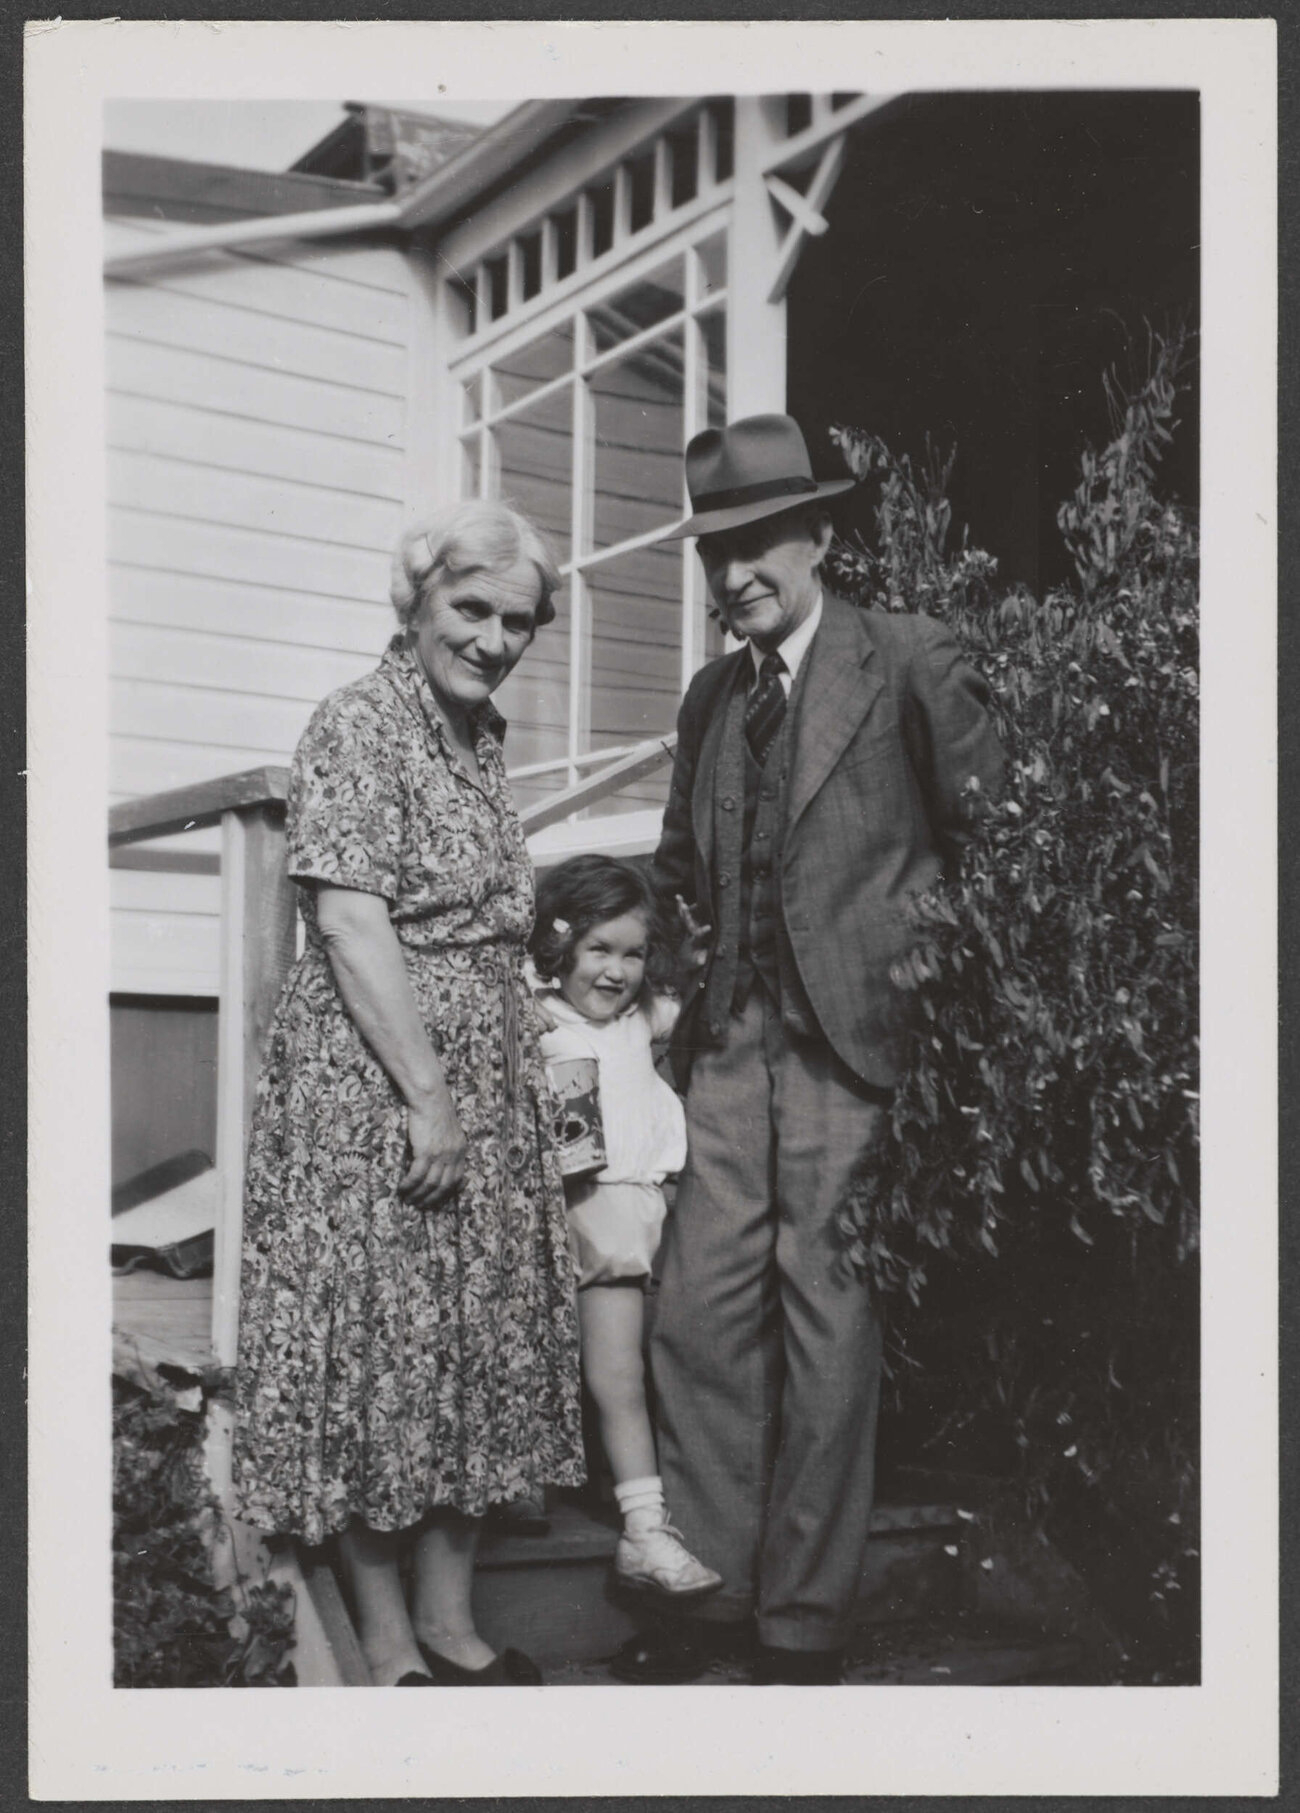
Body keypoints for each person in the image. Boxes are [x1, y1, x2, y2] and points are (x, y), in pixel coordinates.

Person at [613, 414, 1005, 1686]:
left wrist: (946, 1017)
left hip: (857, 1045)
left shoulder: (909, 658)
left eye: (759, 543)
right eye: (713, 551)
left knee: (829, 1319)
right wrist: (648, 997)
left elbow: (995, 844)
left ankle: (800, 1623)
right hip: (727, 1043)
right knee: (697, 1317)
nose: (733, 574)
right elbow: (679, 871)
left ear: (821, 536)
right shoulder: (710, 698)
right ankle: (713, 1599)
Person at [233, 500, 586, 1687]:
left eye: (516, 623)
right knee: (377, 1346)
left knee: (469, 1347)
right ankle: (386, 1645)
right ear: (418, 600)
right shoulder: (358, 724)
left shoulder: (477, 740)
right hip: (378, 1078)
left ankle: (448, 1622)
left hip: (480, 1069)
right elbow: (349, 921)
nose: (492, 639)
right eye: (471, 609)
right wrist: (429, 1097)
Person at [529, 856, 721, 1600]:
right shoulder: (539, 1017)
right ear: (559, 945)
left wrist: (690, 958)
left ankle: (574, 1494)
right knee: (614, 1377)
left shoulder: (643, 1018)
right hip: (591, 1211)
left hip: (649, 1210)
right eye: (598, 949)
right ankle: (643, 1529)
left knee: (628, 1367)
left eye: (633, 953)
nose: (615, 970)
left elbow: (683, 994)